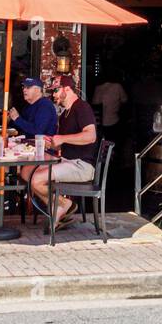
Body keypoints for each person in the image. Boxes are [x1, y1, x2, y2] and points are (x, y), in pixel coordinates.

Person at [27, 76, 98, 227]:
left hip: (82, 166)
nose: (53, 95)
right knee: (28, 172)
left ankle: (64, 205)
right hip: (68, 161)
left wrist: (63, 138)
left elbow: (90, 136)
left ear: (67, 89)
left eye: (56, 90)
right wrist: (52, 144)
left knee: (36, 180)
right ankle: (61, 208)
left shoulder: (82, 107)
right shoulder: (65, 114)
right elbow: (64, 144)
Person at [92, 76, 128, 143]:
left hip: (98, 126)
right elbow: (125, 100)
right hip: (112, 123)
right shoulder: (117, 86)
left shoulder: (97, 88)